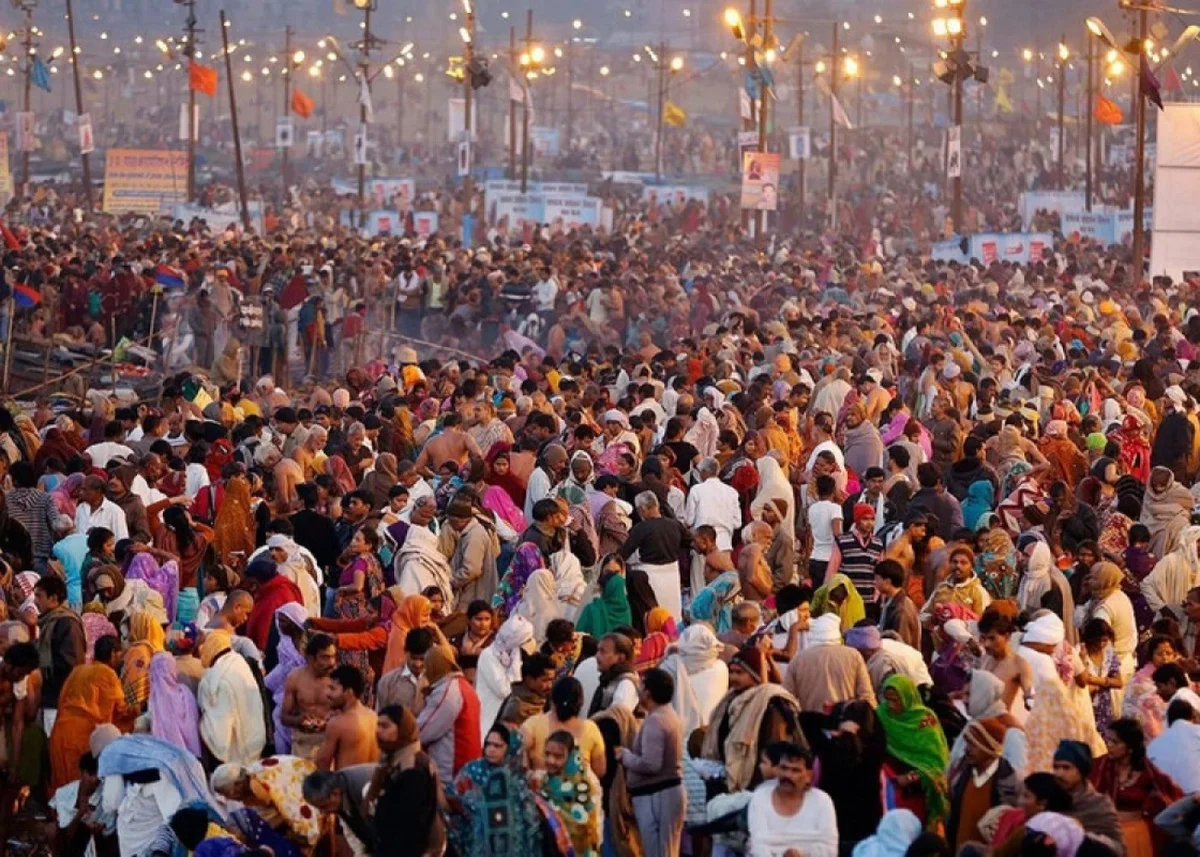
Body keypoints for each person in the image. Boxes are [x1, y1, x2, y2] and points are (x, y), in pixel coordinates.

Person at [702, 647, 805, 793]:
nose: (733, 677)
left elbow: (773, 746)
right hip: (727, 778)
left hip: (757, 781)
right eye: (731, 672)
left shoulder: (770, 704)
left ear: (754, 675)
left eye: (739, 673)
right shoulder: (730, 700)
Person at [48, 634, 137, 790]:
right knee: (79, 789)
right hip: (82, 738)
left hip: (60, 733)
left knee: (62, 789)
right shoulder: (107, 674)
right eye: (119, 654)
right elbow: (120, 712)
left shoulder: (78, 670)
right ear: (113, 654)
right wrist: (136, 709)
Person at [449, 723, 545, 857]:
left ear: (511, 748)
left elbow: (530, 820)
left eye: (497, 746)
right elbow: (454, 800)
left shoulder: (521, 778)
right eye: (488, 744)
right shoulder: (473, 771)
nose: (490, 750)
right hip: (476, 842)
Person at [1091, 717, 1182, 857]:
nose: (1108, 744)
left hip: (1136, 835)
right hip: (1107, 832)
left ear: (1130, 747)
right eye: (1108, 740)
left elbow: (1170, 795)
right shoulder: (1102, 766)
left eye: (1115, 742)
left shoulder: (1147, 772)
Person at [619, 667, 685, 857]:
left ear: (647, 692)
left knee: (661, 852)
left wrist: (625, 756)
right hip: (662, 794)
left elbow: (651, 764)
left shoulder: (656, 721)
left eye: (641, 685)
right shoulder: (665, 715)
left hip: (659, 796)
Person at [876, 674, 951, 831]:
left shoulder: (925, 720)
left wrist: (913, 777)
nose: (891, 705)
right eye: (887, 699)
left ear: (908, 697)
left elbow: (937, 762)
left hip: (920, 790)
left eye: (896, 700)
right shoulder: (882, 715)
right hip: (892, 788)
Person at [746, 742, 838, 857]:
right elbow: (758, 845)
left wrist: (800, 853)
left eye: (795, 770)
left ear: (809, 776)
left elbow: (830, 849)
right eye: (784, 768)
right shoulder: (760, 797)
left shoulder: (822, 801)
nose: (787, 775)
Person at [945, 718, 1020, 851]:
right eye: (968, 744)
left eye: (974, 745)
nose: (967, 750)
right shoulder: (962, 776)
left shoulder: (1009, 785)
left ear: (990, 746)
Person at [197, 629, 267, 765]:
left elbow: (219, 738)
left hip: (236, 753)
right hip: (255, 742)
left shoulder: (216, 680)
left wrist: (200, 723)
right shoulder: (238, 661)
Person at [784, 613, 876, 713]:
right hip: (845, 722)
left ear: (813, 633)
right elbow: (867, 697)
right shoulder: (853, 656)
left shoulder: (798, 660)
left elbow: (786, 699)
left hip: (810, 723)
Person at [416, 645, 482, 785]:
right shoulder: (463, 686)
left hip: (451, 776)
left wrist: (418, 693)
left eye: (426, 667)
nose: (425, 672)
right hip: (467, 772)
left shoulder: (447, 691)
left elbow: (421, 732)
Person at [536, 730, 603, 857]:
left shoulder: (584, 788)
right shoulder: (542, 783)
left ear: (571, 757)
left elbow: (585, 828)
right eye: (547, 754)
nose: (550, 760)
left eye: (558, 756)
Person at [34, 574, 86, 729]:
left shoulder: (66, 623)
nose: (36, 601)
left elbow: (72, 664)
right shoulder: (49, 621)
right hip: (51, 697)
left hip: (61, 699)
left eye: (39, 596)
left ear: (53, 599)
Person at [475, 614, 534, 742]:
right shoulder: (489, 655)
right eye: (527, 640)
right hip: (487, 718)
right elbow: (505, 690)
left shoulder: (513, 658)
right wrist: (516, 663)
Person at [281, 632, 338, 761]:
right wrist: (299, 720)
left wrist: (331, 720)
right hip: (302, 745)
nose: (332, 662)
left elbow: (350, 712)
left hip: (329, 744)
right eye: (325, 657)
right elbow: (284, 717)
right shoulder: (295, 678)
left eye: (333, 657)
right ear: (311, 658)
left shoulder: (338, 680)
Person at [315, 664, 379, 770]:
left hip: (347, 784)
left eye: (333, 689)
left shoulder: (337, 723)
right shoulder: (374, 717)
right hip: (372, 784)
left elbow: (322, 764)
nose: (328, 694)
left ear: (349, 692)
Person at [497, 650, 554, 728]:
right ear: (529, 680)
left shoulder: (545, 700)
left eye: (551, 680)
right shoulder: (516, 708)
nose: (549, 685)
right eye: (545, 680)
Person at [875, 559, 921, 650]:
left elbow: (901, 644)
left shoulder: (901, 610)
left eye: (877, 579)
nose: (875, 582)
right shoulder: (891, 601)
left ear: (887, 582)